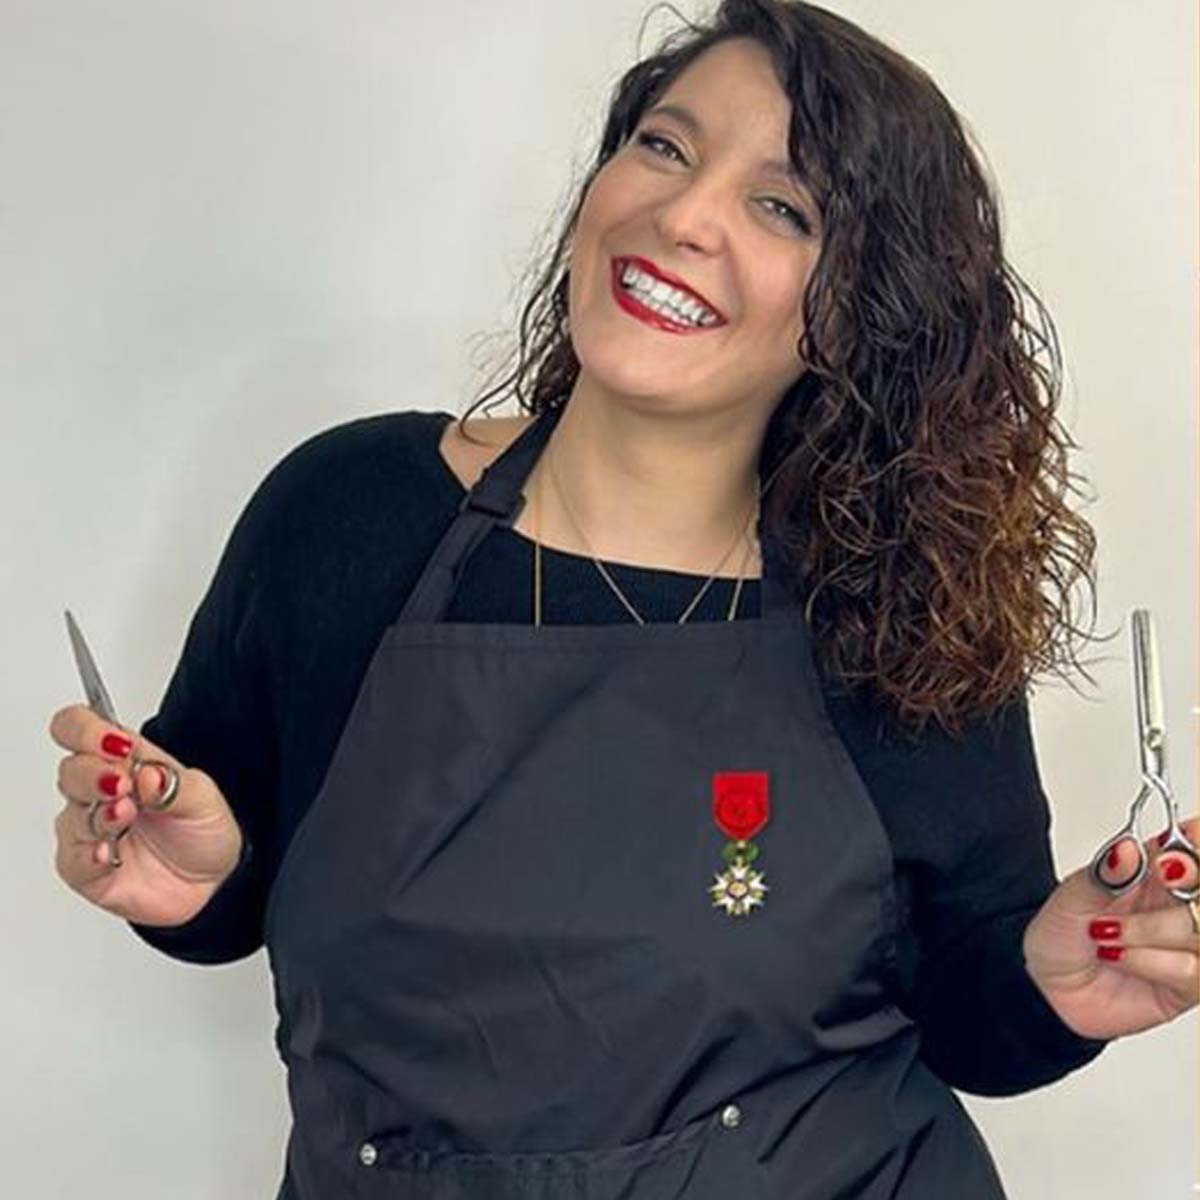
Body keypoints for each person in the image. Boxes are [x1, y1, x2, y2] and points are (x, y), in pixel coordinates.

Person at [48, 2, 1198, 1197]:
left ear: (856, 311)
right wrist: (193, 883)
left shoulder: (891, 608)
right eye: (665, 146)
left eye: (783, 208)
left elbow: (967, 1006)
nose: (684, 216)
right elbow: (224, 878)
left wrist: (1057, 984)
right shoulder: (349, 517)